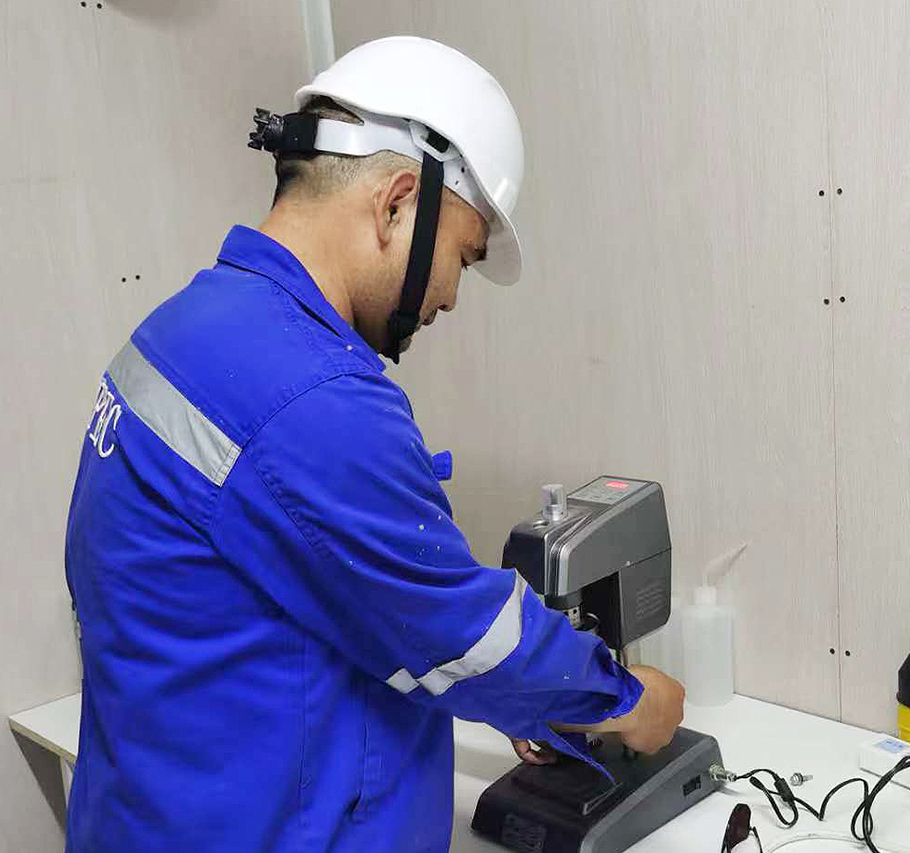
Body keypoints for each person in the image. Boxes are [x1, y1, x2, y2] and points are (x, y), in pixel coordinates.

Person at [65, 36, 684, 853]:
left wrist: (500, 691)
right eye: (462, 256)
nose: (451, 296)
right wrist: (628, 702)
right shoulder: (312, 396)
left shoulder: (182, 330)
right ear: (397, 202)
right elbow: (462, 631)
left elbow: (312, 597)